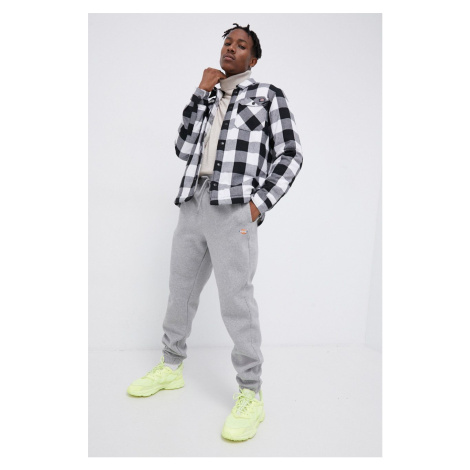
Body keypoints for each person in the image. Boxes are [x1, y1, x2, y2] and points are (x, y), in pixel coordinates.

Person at [127, 23, 303, 442]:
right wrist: (199, 92)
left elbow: (291, 154)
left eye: (241, 45)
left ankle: (251, 393)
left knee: (236, 301)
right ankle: (171, 366)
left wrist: (257, 205)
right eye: (227, 42)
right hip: (194, 201)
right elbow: (183, 148)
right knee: (180, 291)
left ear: (253, 58)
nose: (231, 48)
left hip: (234, 207)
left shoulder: (267, 96)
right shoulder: (207, 98)